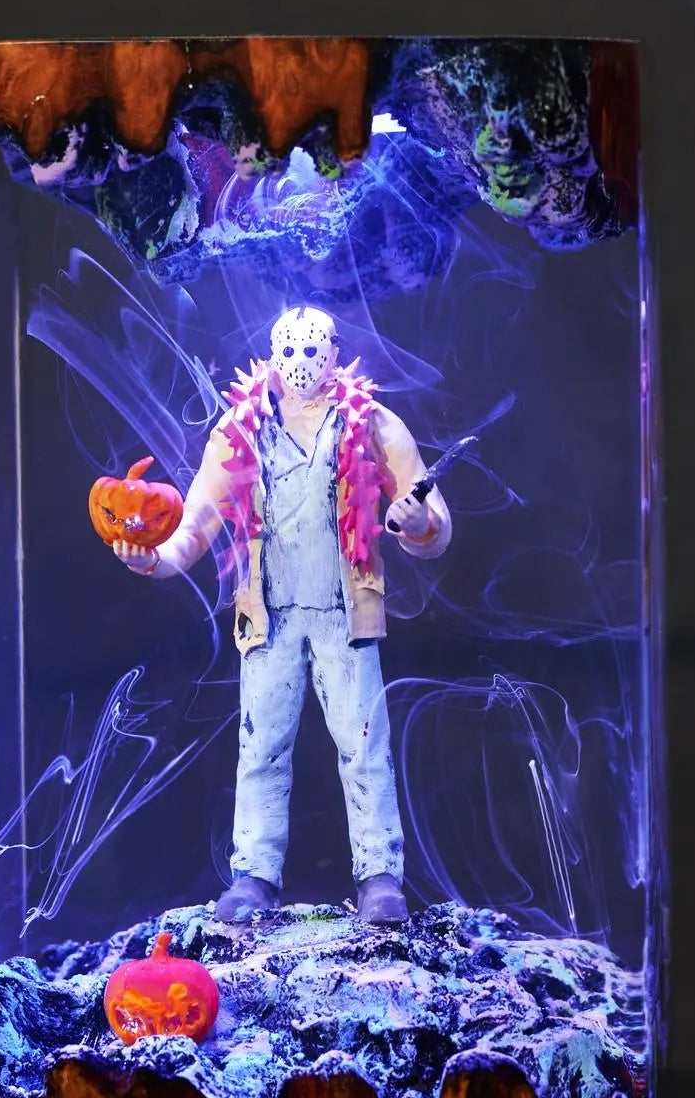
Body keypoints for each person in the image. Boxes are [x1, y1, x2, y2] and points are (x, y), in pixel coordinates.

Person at [113, 306, 452, 925]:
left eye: (312, 350)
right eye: (289, 351)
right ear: (271, 353)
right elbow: (196, 525)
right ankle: (254, 876)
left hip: (345, 613)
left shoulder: (371, 423)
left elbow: (435, 522)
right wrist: (153, 560)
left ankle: (380, 876)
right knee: (262, 745)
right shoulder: (240, 428)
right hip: (269, 614)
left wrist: (418, 523)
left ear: (334, 351)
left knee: (364, 743)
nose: (301, 363)